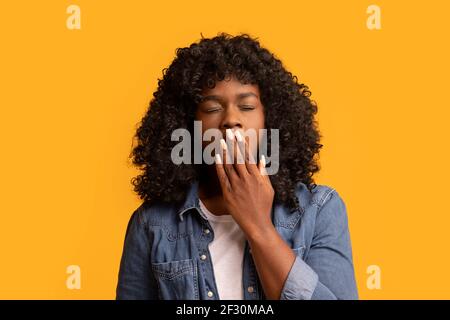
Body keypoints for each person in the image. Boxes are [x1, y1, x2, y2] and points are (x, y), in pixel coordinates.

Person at [116, 32, 358, 300]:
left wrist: (257, 225)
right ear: (188, 126)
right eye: (211, 108)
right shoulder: (152, 223)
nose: (231, 120)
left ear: (271, 120)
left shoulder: (319, 210)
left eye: (246, 106)